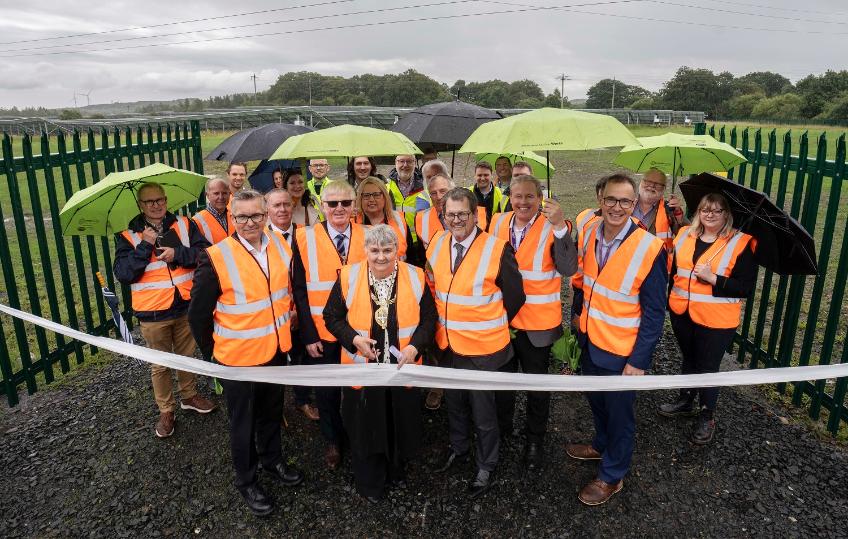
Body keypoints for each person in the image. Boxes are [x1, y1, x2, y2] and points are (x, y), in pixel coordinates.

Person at [189, 189, 304, 517]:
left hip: (275, 351)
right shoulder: (216, 256)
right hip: (238, 360)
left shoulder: (281, 246)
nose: (250, 222)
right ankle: (247, 480)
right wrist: (216, 352)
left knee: (271, 412)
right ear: (232, 218)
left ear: (266, 216)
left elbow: (281, 295)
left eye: (256, 215)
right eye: (242, 217)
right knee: (243, 424)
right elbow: (198, 316)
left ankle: (273, 460)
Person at [566, 173, 668, 506]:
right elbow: (586, 281)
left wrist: (639, 361)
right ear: (600, 199)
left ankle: (612, 475)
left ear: (633, 203)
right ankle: (600, 444)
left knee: (620, 415)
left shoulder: (650, 248)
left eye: (625, 201)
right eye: (611, 199)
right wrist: (578, 320)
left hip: (622, 352)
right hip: (591, 342)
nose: (617, 207)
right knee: (597, 402)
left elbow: (655, 313)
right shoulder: (591, 232)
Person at [323, 224, 437, 502]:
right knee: (365, 426)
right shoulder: (349, 276)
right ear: (365, 251)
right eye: (374, 250)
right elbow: (332, 317)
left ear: (397, 250)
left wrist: (415, 346)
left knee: (398, 420)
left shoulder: (416, 276)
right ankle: (370, 483)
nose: (381, 257)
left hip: (401, 369)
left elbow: (429, 320)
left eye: (387, 250)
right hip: (363, 371)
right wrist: (353, 340)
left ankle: (396, 470)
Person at [429, 188, 525, 499]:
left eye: (462, 214)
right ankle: (459, 448)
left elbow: (515, 297)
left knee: (484, 413)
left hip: (484, 348)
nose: (455, 220)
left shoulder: (497, 249)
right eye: (450, 214)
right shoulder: (437, 243)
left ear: (476, 215)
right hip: (449, 346)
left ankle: (487, 464)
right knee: (455, 405)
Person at [113, 182, 215, 438]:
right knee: (160, 365)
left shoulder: (184, 224)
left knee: (187, 356)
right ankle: (166, 410)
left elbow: (205, 254)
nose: (156, 205)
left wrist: (178, 253)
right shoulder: (127, 236)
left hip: (184, 303)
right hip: (153, 311)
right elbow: (125, 274)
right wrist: (145, 246)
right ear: (140, 205)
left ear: (166, 200)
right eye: (149, 202)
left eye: (160, 200)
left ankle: (189, 396)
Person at [489, 175, 577, 470]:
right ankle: (502, 432)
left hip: (538, 325)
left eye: (530, 196)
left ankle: (535, 440)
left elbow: (568, 268)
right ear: (509, 198)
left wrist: (562, 227)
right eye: (518, 196)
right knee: (503, 384)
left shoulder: (554, 227)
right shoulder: (498, 223)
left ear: (540, 199)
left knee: (537, 387)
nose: (523, 202)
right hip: (503, 321)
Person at [659, 193, 756, 444]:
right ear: (698, 213)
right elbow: (672, 272)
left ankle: (707, 414)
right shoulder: (684, 236)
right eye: (704, 210)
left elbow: (745, 287)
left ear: (726, 214)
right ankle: (686, 399)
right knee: (689, 358)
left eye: (716, 210)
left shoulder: (740, 243)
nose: (710, 215)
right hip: (682, 312)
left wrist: (714, 279)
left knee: (708, 366)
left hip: (716, 319)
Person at [292, 180, 368, 470]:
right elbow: (298, 288)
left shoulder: (368, 235)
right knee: (326, 392)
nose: (339, 209)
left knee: (358, 389)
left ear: (354, 206)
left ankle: (358, 436)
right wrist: (308, 334)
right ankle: (333, 440)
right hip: (321, 333)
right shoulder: (303, 237)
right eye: (332, 203)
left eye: (346, 203)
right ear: (321, 206)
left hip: (359, 332)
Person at [266, 188, 320, 422]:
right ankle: (274, 408)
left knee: (303, 356)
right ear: (267, 209)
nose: (282, 210)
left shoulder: (307, 235)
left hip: (303, 310)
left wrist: (299, 311)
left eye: (286, 204)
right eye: (276, 205)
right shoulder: (261, 238)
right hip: (274, 314)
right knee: (275, 359)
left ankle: (303, 399)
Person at [354, 177, 414, 264]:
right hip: (363, 276)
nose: (371, 199)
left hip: (398, 274)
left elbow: (411, 255)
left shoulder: (399, 219)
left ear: (385, 196)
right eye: (366, 195)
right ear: (360, 198)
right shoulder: (352, 222)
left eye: (376, 195)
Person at [633, 168, 687, 254]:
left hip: (657, 262)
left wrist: (678, 213)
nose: (651, 186)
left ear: (664, 188)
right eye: (648, 181)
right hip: (625, 259)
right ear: (641, 181)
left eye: (657, 184)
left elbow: (687, 236)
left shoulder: (669, 209)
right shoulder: (626, 203)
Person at [193, 177, 234, 245]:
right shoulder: (196, 221)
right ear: (207, 195)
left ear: (229, 194)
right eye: (216, 193)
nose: (221, 197)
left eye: (224, 193)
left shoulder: (235, 216)